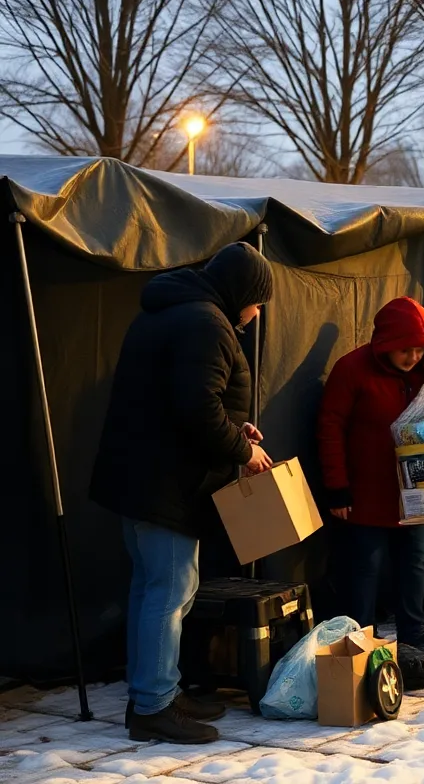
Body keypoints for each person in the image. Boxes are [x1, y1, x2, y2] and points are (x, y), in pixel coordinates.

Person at [91, 242, 275, 744]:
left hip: (140, 478)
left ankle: (157, 693)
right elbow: (195, 410)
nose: (256, 315)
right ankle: (153, 706)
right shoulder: (206, 323)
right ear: (240, 291)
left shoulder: (171, 312)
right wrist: (243, 449)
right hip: (164, 485)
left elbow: (183, 401)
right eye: (257, 302)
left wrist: (238, 428)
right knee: (170, 593)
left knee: (150, 588)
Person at [317, 297, 424, 648]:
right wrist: (337, 489)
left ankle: (413, 636)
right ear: (386, 344)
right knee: (365, 569)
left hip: (415, 492)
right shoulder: (352, 369)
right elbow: (330, 428)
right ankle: (360, 642)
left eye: (420, 349)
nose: (413, 358)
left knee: (415, 564)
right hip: (366, 492)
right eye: (406, 350)